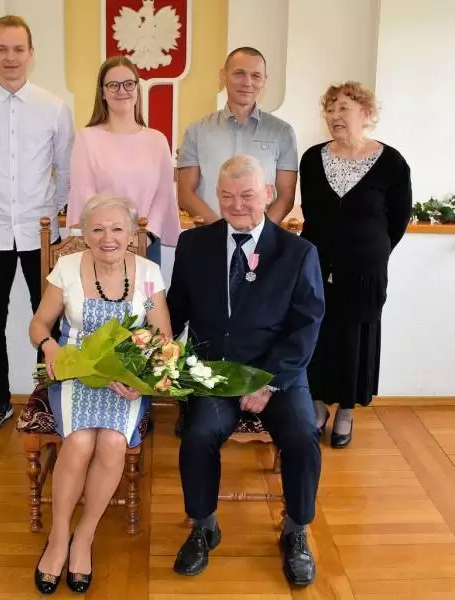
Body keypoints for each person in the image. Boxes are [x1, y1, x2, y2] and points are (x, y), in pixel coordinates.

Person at [167, 155, 325, 586]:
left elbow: (307, 326)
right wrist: (152, 353)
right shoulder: (193, 245)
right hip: (215, 371)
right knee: (198, 433)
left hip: (278, 373)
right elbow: (175, 311)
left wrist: (268, 382)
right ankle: (203, 526)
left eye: (247, 195)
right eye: (227, 196)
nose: (237, 205)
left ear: (269, 194)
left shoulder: (298, 252)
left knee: (302, 434)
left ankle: (295, 531)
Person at [30, 195, 172, 595]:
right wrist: (50, 347)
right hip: (76, 367)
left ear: (132, 234)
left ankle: (85, 537)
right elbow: (39, 323)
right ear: (84, 232)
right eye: (97, 229)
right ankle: (59, 537)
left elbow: (161, 336)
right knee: (78, 442)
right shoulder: (67, 267)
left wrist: (140, 378)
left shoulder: (148, 274)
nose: (107, 238)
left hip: (126, 374)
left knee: (111, 441)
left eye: (117, 229)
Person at [0, 15, 74, 436]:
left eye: (18, 49)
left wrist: (44, 213)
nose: (10, 57)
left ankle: (47, 400)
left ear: (30, 53)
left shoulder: (54, 108)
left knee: (50, 322)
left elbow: (65, 173)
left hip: (41, 235)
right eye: (2, 49)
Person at [299, 81, 412, 448]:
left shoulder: (391, 162)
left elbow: (398, 218)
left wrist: (371, 251)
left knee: (355, 341)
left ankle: (346, 412)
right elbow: (312, 213)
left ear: (366, 113)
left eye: (343, 108)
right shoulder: (312, 159)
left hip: (365, 272)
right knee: (317, 336)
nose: (335, 116)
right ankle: (318, 407)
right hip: (318, 267)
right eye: (330, 109)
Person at [66, 55, 181, 265]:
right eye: (113, 85)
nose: (122, 91)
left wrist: (145, 235)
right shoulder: (86, 138)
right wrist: (111, 236)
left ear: (137, 89)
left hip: (145, 243)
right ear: (102, 93)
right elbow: (84, 194)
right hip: (102, 245)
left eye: (129, 84)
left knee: (146, 289)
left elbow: (164, 195)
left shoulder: (157, 140)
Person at [177, 46, 298, 227]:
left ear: (264, 80)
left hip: (261, 241)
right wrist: (221, 233)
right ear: (223, 75)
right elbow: (185, 194)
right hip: (210, 237)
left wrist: (260, 235)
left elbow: (286, 196)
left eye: (255, 76)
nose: (247, 82)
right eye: (239, 73)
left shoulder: (282, 133)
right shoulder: (196, 131)